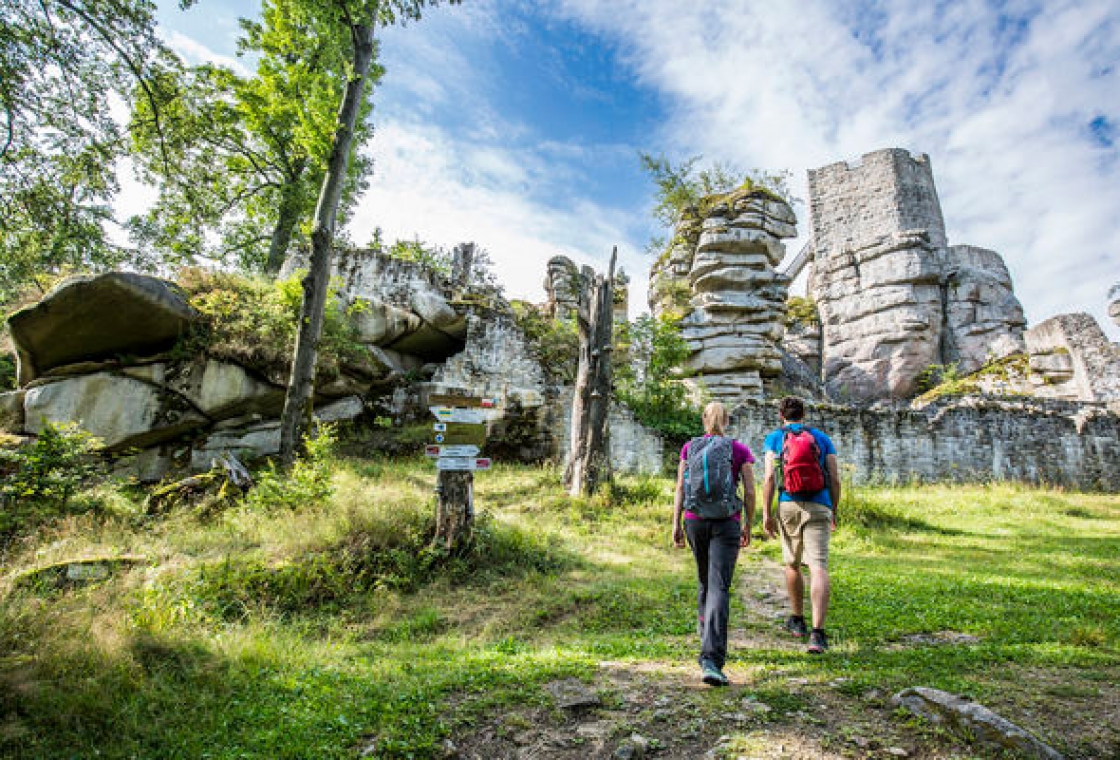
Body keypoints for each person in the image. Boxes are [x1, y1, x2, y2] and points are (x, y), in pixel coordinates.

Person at [672, 401, 756, 686]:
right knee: (719, 585)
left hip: (694, 519)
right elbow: (750, 488)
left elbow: (681, 486)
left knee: (705, 580)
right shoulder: (739, 449)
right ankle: (711, 658)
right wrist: (748, 523)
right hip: (726, 521)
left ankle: (704, 631)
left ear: (703, 419)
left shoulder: (689, 447)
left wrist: (676, 523)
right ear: (728, 421)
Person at [761, 396, 841, 654]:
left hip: (788, 504)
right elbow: (835, 478)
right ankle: (818, 634)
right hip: (820, 504)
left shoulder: (775, 438)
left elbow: (770, 477)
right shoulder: (822, 438)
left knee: (792, 563)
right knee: (818, 567)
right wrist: (833, 510)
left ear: (781, 415)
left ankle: (797, 620)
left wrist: (766, 513)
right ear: (804, 414)